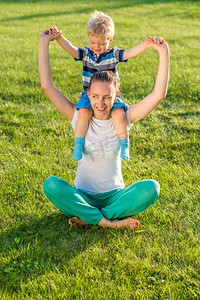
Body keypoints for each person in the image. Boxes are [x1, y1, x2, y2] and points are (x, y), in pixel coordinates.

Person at [39, 28, 170, 230]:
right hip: (82, 195)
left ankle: (92, 217)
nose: (100, 103)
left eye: (107, 97)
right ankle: (108, 222)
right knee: (51, 185)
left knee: (152, 188)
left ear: (116, 97)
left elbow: (158, 95)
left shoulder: (124, 118)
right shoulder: (78, 115)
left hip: (115, 196)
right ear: (88, 95)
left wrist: (163, 52)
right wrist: (44, 42)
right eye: (95, 97)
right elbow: (48, 86)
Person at [48, 10, 160, 162]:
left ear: (110, 40)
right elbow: (72, 49)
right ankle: (78, 145)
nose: (96, 47)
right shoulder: (86, 53)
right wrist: (59, 37)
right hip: (89, 96)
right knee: (83, 113)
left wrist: (145, 45)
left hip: (110, 97)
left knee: (119, 114)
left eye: (101, 43)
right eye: (93, 42)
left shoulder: (113, 54)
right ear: (89, 38)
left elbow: (129, 53)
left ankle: (124, 144)